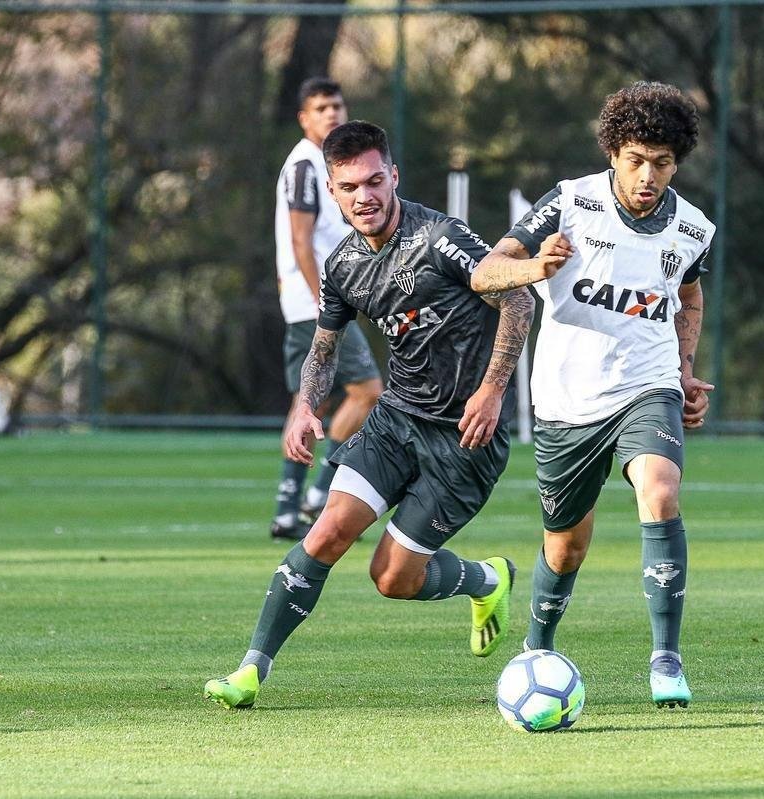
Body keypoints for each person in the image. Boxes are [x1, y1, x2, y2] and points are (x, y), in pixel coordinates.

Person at [205, 121, 536, 709]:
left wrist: (492, 390)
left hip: (464, 440)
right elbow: (324, 348)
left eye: (375, 181)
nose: (366, 196)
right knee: (326, 532)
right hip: (394, 423)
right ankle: (250, 671)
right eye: (350, 186)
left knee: (392, 579)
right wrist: (306, 406)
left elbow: (515, 296)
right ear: (332, 192)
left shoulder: (440, 238)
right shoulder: (340, 266)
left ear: (394, 177)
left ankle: (488, 579)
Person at [470, 82, 714, 709]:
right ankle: (537, 644)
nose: (647, 175)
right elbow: (485, 271)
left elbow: (687, 295)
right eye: (635, 159)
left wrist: (684, 372)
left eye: (661, 162)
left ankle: (666, 659)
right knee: (566, 547)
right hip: (566, 402)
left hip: (647, 386)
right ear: (612, 153)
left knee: (660, 491)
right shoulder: (569, 204)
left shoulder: (692, 229)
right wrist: (533, 268)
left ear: (677, 162)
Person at [271, 77, 384, 540]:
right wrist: (326, 302)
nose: (332, 114)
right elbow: (300, 239)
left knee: (309, 399)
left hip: (311, 300)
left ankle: (286, 507)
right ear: (304, 117)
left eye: (337, 105)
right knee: (367, 391)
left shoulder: (326, 163)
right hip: (312, 302)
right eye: (321, 108)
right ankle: (321, 491)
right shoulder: (303, 165)